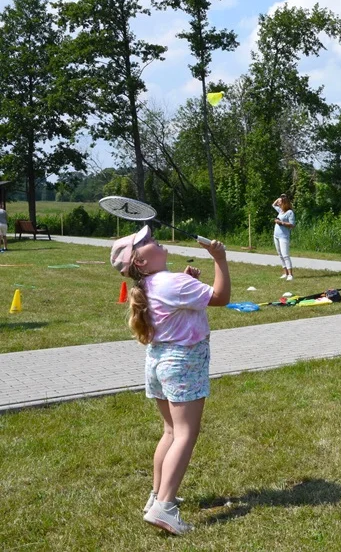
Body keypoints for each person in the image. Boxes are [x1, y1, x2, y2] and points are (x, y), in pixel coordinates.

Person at [110, 224, 231, 535]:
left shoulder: (152, 286)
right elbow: (220, 297)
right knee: (185, 434)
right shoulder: (173, 282)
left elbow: (177, 304)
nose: (154, 239)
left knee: (170, 431)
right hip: (184, 363)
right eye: (147, 241)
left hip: (158, 363)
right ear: (140, 262)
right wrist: (219, 259)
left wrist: (186, 280)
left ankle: (156, 497)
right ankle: (165, 508)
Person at [272, 195, 295, 281]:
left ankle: (290, 275)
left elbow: (292, 225)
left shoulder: (289, 212)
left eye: (280, 202)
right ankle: (285, 273)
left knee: (285, 255)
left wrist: (281, 222)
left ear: (284, 203)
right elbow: (273, 205)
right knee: (280, 255)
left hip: (283, 236)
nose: (278, 203)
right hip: (276, 236)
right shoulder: (280, 210)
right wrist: (278, 198)